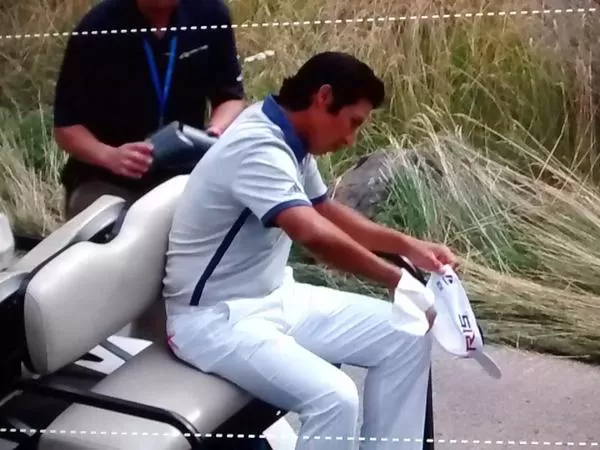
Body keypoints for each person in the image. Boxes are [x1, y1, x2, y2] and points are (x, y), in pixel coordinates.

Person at [162, 51, 458, 449]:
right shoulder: (258, 147)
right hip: (214, 321)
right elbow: (312, 233)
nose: (351, 139)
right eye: (352, 123)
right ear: (323, 98)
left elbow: (323, 210)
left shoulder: (289, 136)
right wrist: (395, 279)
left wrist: (408, 246)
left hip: (273, 297)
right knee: (334, 398)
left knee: (406, 333)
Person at [52, 0, 246, 219]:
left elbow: (231, 98)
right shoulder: (96, 27)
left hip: (185, 170)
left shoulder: (211, 14)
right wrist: (110, 156)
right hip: (107, 178)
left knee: (223, 219)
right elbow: (66, 128)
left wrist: (213, 132)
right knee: (115, 236)